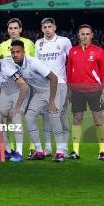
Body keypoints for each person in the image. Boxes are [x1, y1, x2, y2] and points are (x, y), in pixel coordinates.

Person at [11, 40, 67, 162]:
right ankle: (39, 151)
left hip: (57, 88)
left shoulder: (33, 62)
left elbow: (54, 78)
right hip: (41, 92)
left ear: (24, 52)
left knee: (53, 115)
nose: (15, 54)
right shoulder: (14, 66)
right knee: (29, 117)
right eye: (13, 52)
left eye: (18, 52)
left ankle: (60, 152)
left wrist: (51, 101)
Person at [67, 24, 104, 161]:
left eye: (87, 34)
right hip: (77, 91)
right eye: (82, 34)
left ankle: (102, 151)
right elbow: (69, 72)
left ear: (92, 36)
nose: (85, 36)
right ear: (78, 35)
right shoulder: (73, 51)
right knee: (77, 120)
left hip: (95, 91)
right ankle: (75, 151)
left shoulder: (99, 51)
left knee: (98, 120)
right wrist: (69, 89)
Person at [0, 48, 29, 162]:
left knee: (15, 118)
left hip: (19, 92)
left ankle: (19, 153)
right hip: (5, 94)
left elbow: (24, 86)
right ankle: (7, 150)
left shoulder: (7, 68)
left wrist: (17, 107)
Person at [34, 17, 72, 157]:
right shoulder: (38, 43)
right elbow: (36, 66)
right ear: (41, 28)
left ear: (54, 27)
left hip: (61, 84)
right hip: (44, 86)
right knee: (46, 117)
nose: (47, 30)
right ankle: (48, 148)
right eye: (45, 27)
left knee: (59, 116)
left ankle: (63, 149)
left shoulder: (64, 41)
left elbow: (72, 61)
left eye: (50, 26)